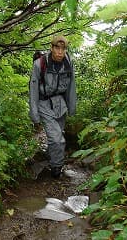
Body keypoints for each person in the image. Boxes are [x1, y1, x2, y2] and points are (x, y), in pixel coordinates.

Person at [29, 35, 77, 178]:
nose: (60, 52)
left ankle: (51, 160)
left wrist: (72, 108)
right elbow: (33, 89)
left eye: (63, 49)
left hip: (60, 105)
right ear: (51, 48)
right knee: (57, 139)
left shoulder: (69, 63)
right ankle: (56, 169)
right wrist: (34, 114)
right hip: (44, 103)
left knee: (57, 136)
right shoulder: (39, 64)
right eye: (57, 48)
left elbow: (71, 86)